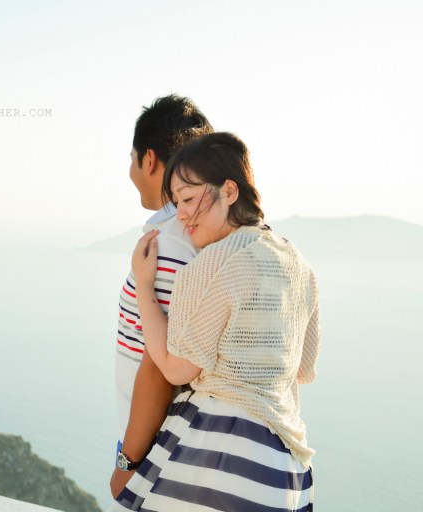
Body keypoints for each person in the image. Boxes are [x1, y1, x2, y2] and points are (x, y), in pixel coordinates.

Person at [115, 132, 320, 511]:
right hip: (283, 465)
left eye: (190, 198)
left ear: (229, 191)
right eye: (176, 202)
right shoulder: (297, 262)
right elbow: (303, 368)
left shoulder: (211, 262)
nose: (181, 214)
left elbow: (176, 369)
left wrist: (145, 287)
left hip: (217, 459)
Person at [111, 95, 213, 499]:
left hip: (156, 460)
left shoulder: (168, 245)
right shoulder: (194, 238)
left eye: (132, 157)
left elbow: (157, 365)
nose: (131, 170)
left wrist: (127, 465)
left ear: (149, 160)